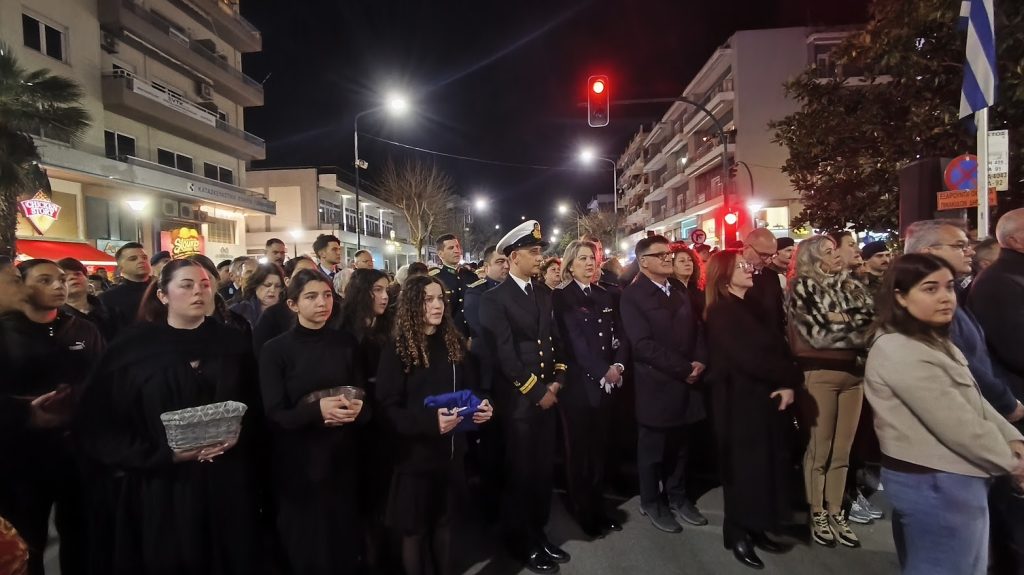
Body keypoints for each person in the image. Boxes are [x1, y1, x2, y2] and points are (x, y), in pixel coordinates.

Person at [77, 258, 262, 574]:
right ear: (163, 295)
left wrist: (239, 436)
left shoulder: (232, 342)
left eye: (205, 285)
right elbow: (101, 421)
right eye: (187, 285)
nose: (198, 292)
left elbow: (253, 404)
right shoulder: (133, 349)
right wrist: (162, 454)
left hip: (225, 481)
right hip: (160, 484)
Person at [866, 253, 1024, 575]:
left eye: (949, 287)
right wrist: (1013, 463)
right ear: (900, 297)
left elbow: (975, 402)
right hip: (935, 482)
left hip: (955, 477)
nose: (945, 297)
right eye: (930, 288)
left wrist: (1014, 440)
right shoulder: (899, 349)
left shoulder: (932, 339)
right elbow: (957, 425)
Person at [376, 274, 494, 575]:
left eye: (440, 298)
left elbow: (471, 388)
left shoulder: (452, 341)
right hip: (415, 457)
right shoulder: (398, 347)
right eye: (428, 299)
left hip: (451, 453)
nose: (437, 305)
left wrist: (481, 406)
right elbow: (387, 408)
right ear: (412, 304)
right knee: (414, 531)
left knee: (444, 524)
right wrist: (429, 423)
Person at [258, 269, 367, 574]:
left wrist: (358, 409)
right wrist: (316, 411)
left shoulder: (346, 342)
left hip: (343, 454)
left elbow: (362, 392)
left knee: (344, 535)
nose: (322, 303)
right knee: (308, 540)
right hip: (300, 460)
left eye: (327, 295)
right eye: (311, 296)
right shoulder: (275, 350)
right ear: (292, 304)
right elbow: (275, 413)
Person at [0, 259, 104, 575]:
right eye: (44, 280)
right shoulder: (5, 331)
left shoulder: (82, 328)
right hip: (20, 456)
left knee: (82, 533)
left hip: (77, 449)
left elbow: (105, 381)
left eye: (61, 279)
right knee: (27, 539)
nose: (59, 285)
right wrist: (23, 412)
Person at [478, 220, 570, 574]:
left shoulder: (543, 293)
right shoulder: (493, 299)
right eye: (533, 252)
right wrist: (536, 391)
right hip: (520, 401)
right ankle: (521, 542)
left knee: (542, 473)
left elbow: (554, 340)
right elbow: (505, 356)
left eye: (539, 251)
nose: (539, 257)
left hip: (547, 395)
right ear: (514, 257)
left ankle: (539, 534)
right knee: (521, 475)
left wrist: (558, 379)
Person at [704, 250, 800, 569]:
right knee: (742, 471)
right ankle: (738, 533)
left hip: (762, 400)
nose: (749, 270)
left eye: (747, 265)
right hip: (738, 404)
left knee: (762, 468)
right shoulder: (721, 312)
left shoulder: (752, 305)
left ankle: (757, 526)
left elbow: (777, 346)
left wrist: (786, 380)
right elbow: (748, 358)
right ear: (724, 277)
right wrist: (787, 378)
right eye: (741, 267)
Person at [786, 235, 874, 548]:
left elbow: (871, 325)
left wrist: (836, 323)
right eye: (827, 251)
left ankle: (836, 510)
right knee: (819, 450)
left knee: (842, 451)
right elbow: (811, 339)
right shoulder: (801, 288)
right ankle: (817, 512)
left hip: (855, 376)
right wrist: (848, 325)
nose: (836, 255)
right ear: (812, 258)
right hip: (819, 375)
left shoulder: (851, 285)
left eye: (835, 249)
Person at [621, 235, 708, 534]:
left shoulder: (678, 290)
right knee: (653, 452)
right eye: (661, 255)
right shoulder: (633, 296)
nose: (668, 258)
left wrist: (700, 360)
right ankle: (651, 502)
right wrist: (684, 369)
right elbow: (642, 345)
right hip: (657, 385)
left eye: (669, 253)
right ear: (643, 262)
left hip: (687, 383)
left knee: (681, 448)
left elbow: (697, 329)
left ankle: (678, 497)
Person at [904, 220, 1022, 421]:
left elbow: (980, 355)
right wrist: (1006, 402)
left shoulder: (957, 295)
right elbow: (962, 360)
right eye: (959, 246)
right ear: (928, 252)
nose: (971, 252)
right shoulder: (924, 305)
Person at [552, 240, 628, 538]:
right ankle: (582, 510)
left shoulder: (604, 294)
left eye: (592, 258)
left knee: (599, 450)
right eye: (582, 258)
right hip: (580, 387)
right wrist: (602, 371)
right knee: (579, 453)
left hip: (607, 384)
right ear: (570, 265)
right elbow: (573, 342)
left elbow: (619, 334)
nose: (589, 263)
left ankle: (598, 506)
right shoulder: (562, 297)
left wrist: (618, 365)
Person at [968, 207, 1024, 573]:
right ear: (1015, 239)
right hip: (1014, 405)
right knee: (1014, 513)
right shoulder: (998, 283)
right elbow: (1015, 347)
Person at [252, 257, 327, 355]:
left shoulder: (332, 310)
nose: (309, 278)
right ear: (287, 281)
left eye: (314, 272)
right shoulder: (271, 316)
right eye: (302, 273)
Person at [98, 242, 152, 335]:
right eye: (133, 259)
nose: (141, 261)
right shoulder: (108, 298)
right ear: (120, 268)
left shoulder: (164, 291)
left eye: (144, 257)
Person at [58, 257, 115, 342]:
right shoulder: (54, 318)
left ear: (87, 279)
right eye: (65, 276)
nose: (72, 277)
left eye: (78, 274)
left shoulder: (111, 312)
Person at [431, 234, 477, 337]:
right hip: (447, 336)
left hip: (472, 336)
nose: (457, 251)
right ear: (440, 254)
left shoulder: (471, 276)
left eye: (457, 247)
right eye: (451, 248)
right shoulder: (435, 279)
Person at [741, 228, 785, 334]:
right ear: (746, 248)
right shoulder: (732, 277)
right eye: (764, 255)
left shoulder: (772, 276)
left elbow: (778, 315)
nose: (768, 261)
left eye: (772, 255)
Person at [229, 263, 285, 329]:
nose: (272, 290)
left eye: (278, 286)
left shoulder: (289, 311)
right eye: (267, 285)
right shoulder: (239, 310)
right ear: (256, 286)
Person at [670, 242, 706, 318]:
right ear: (671, 266)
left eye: (690, 260)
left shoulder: (699, 290)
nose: (687, 263)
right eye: (682, 261)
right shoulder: (669, 292)